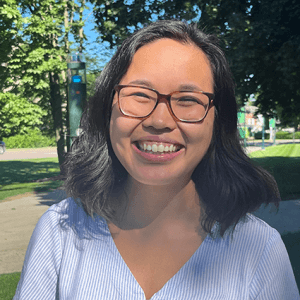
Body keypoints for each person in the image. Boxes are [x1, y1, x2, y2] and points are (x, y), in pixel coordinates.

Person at [14, 20, 299, 299]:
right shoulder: (59, 231)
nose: (159, 120)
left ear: (217, 121)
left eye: (188, 99)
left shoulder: (259, 250)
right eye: (139, 94)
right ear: (107, 109)